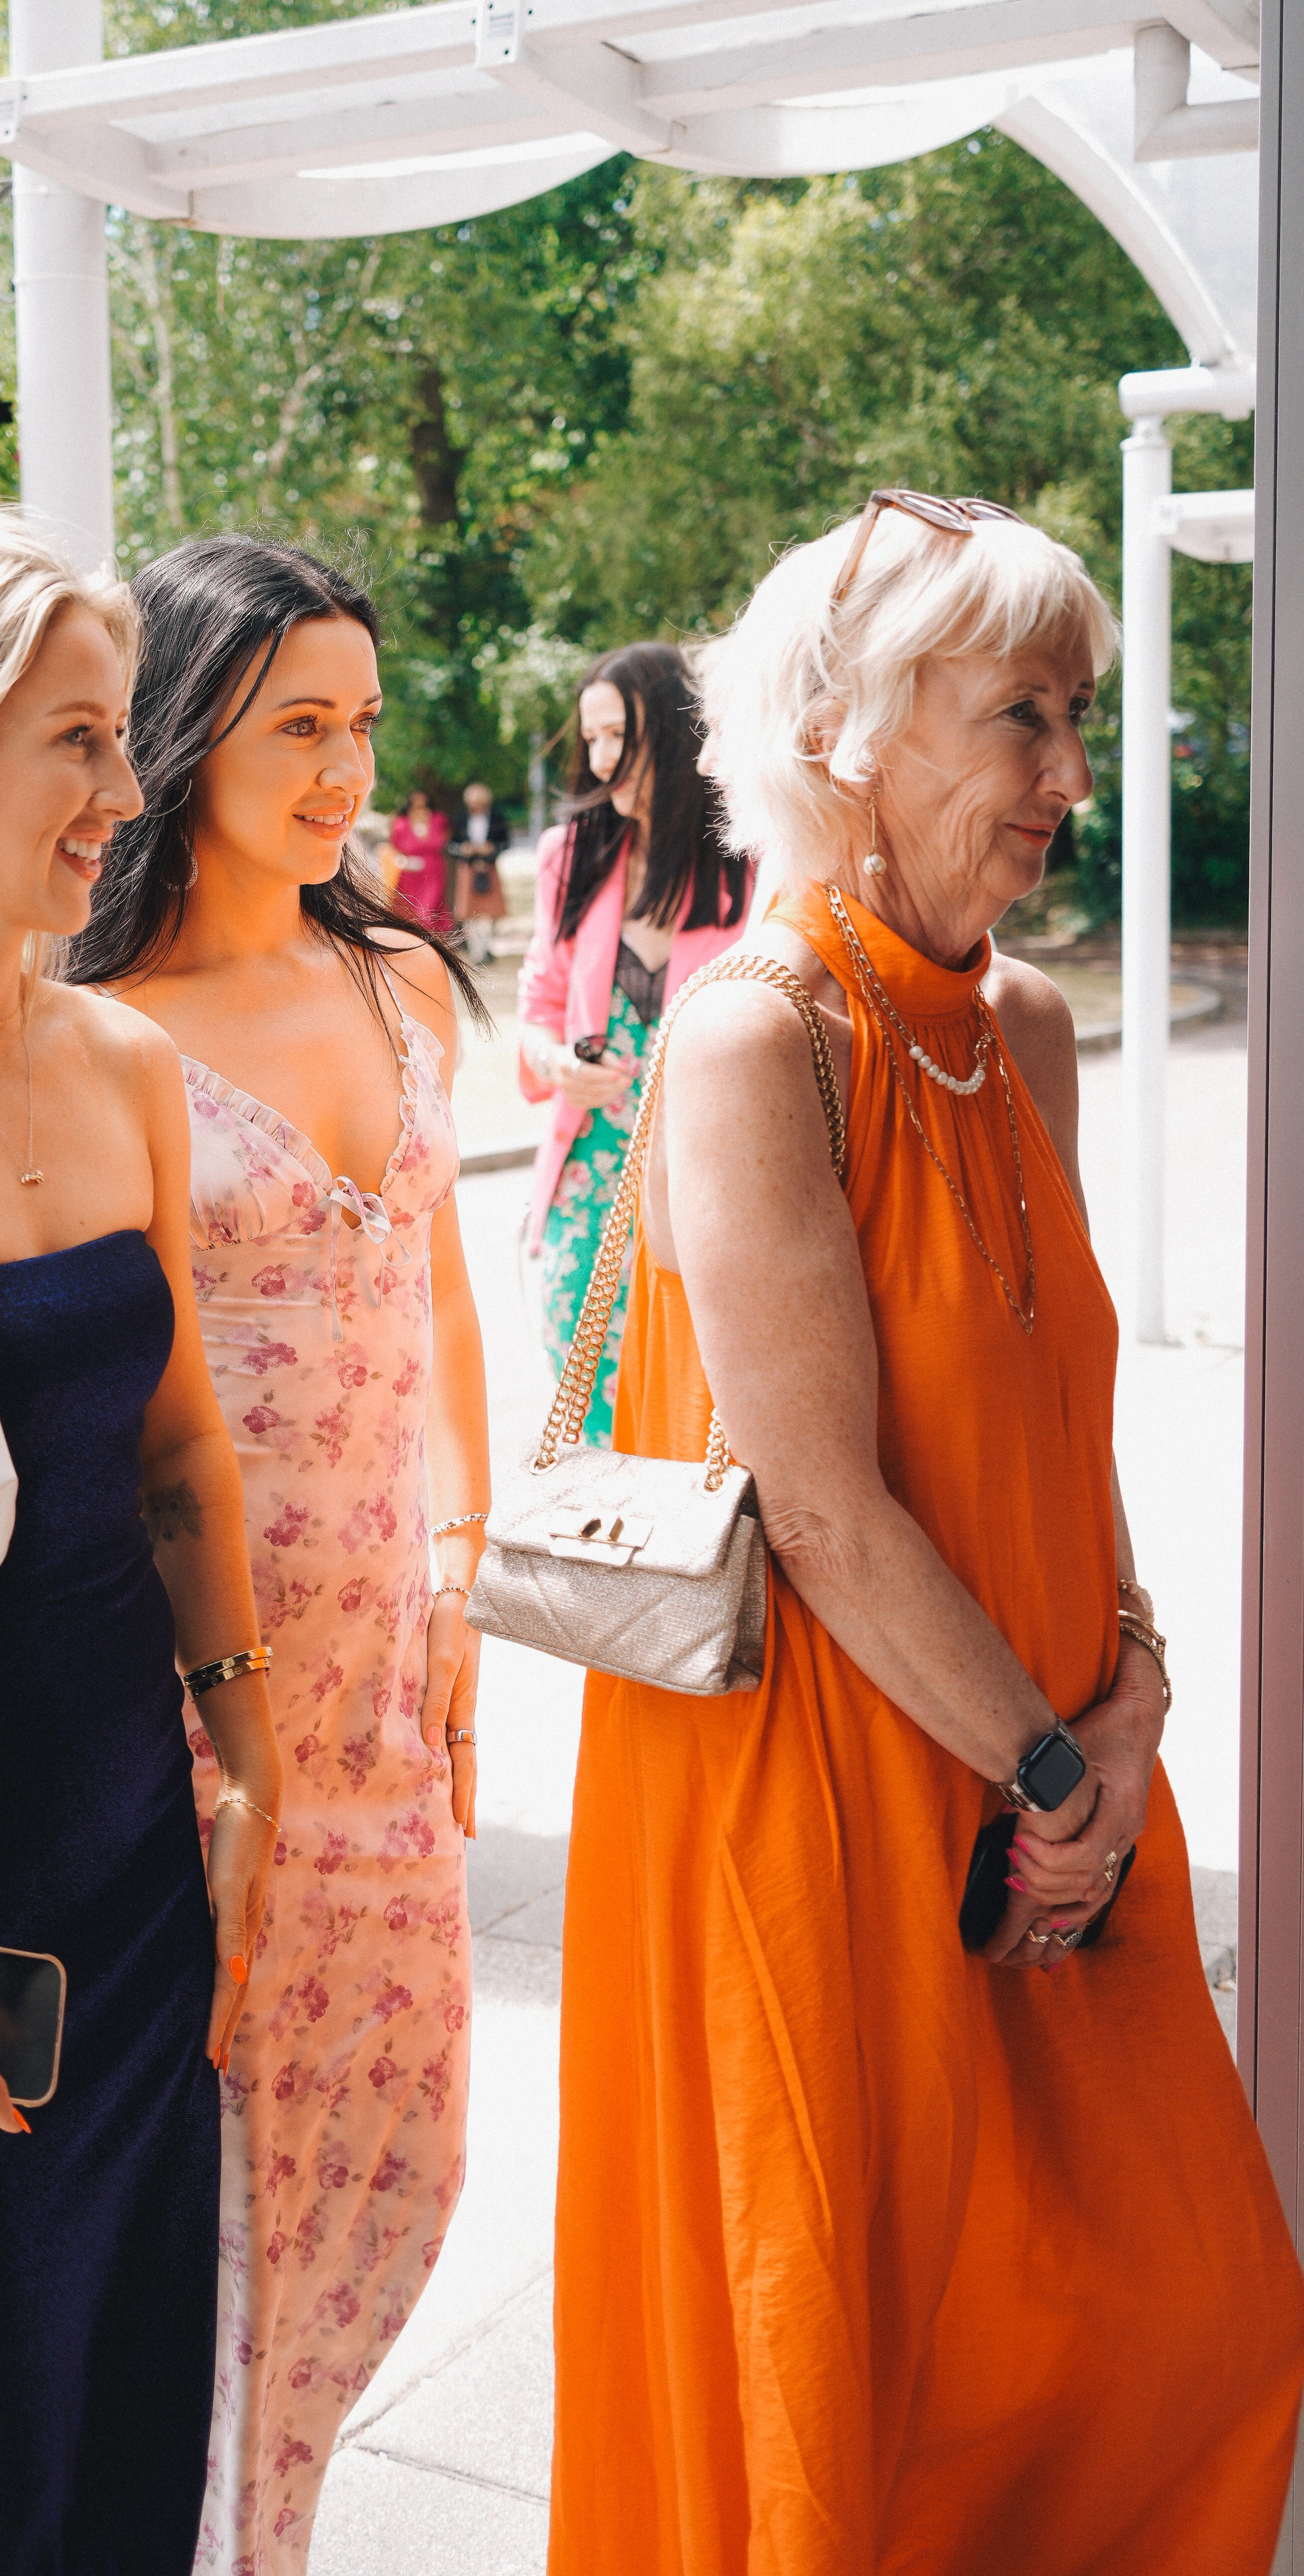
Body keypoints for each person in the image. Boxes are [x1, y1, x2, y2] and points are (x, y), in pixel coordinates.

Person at [549, 494, 1304, 2574]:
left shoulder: (1024, 1026)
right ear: (854, 733)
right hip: (830, 1789)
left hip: (1051, 1767)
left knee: (1190, 2314)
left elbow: (1062, 1415)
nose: (1071, 776)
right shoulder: (752, 1029)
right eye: (1025, 718)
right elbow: (817, 1504)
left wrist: (1132, 1688)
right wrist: (1061, 1767)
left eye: (1079, 719)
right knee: (851, 2383)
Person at [68, 536, 489, 2572]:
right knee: (212, 2183)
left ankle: (278, 2526)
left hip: (387, 1683)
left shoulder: (393, 977)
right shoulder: (96, 1024)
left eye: (362, 722)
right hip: (193, 1682)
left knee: (393, 2164)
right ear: (185, 736)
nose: (347, 766)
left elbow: (440, 1271)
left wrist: (467, 1551)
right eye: (299, 723)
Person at [0, 512, 282, 2575]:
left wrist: (249, 1758)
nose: (126, 799)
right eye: (76, 742)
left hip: (135, 1868)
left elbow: (185, 1450)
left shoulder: (124, 1062)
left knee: (131, 2402)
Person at [517, 642, 750, 1444]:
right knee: (589, 1409)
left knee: (703, 1422)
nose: (603, 758)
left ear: (680, 733)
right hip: (589, 1186)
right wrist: (554, 1063)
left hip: (717, 1189)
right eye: (593, 739)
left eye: (621, 735)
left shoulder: (754, 867)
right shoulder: (569, 856)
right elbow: (539, 1006)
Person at [447, 780, 508, 964]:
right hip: (467, 869)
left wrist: (492, 849)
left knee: (490, 912)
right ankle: (476, 952)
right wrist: (464, 850)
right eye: (475, 803)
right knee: (468, 913)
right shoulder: (459, 819)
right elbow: (449, 846)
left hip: (489, 868)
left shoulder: (497, 818)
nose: (478, 807)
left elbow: (506, 843)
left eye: (481, 803)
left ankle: (486, 948)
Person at [389, 784, 451, 933]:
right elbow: (395, 850)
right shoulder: (401, 824)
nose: (420, 807)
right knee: (410, 911)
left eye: (424, 804)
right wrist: (405, 862)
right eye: (416, 804)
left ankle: (430, 942)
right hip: (411, 875)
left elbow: (445, 839)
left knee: (428, 910)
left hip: (434, 872)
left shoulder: (438, 820)